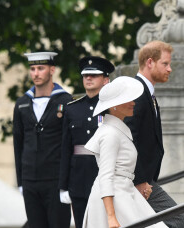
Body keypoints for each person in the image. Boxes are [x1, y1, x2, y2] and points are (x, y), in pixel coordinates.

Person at [82, 76, 168, 228]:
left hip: (124, 193)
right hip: (114, 199)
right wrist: (111, 217)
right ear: (114, 105)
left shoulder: (116, 130)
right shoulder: (110, 134)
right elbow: (106, 176)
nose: (134, 103)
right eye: (128, 99)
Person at [124, 40, 184, 227]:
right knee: (179, 219)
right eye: (165, 64)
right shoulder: (136, 91)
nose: (169, 69)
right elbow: (127, 138)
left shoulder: (146, 92)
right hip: (137, 181)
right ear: (150, 62)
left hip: (145, 181)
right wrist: (140, 180)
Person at [13, 52, 72, 228]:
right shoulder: (22, 103)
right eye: (32, 69)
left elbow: (68, 145)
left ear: (52, 70)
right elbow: (18, 144)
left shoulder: (66, 101)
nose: (36, 73)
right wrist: (21, 181)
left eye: (41, 68)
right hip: (30, 180)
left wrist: (66, 183)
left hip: (55, 180)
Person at [59, 56, 115, 228]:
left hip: (104, 177)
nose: (88, 78)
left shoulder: (113, 107)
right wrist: (63, 185)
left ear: (106, 79)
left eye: (94, 75)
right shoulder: (72, 108)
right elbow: (66, 148)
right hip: (79, 180)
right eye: (85, 75)